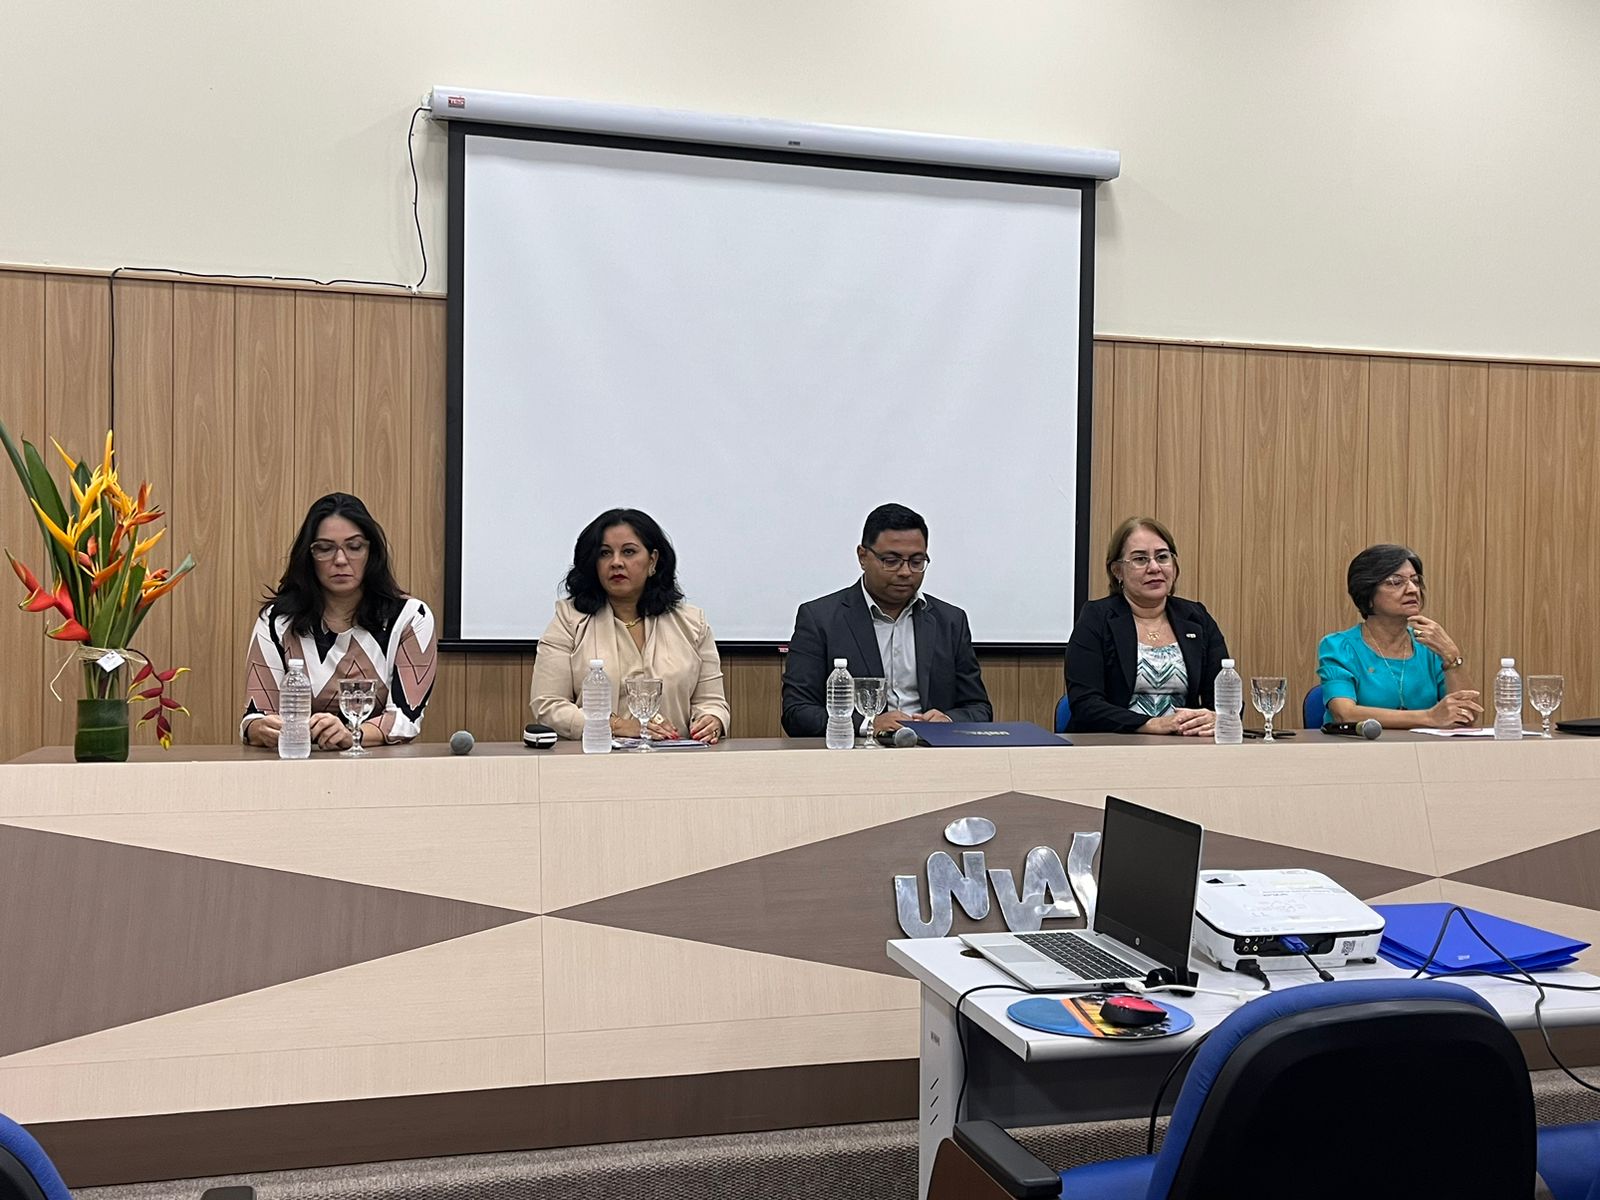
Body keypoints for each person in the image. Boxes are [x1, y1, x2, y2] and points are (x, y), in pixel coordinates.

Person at [242, 493, 437, 750]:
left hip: (378, 765)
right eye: (325, 549)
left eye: (354, 547)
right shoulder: (277, 620)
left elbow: (405, 718)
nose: (341, 560)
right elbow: (255, 716)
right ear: (308, 556)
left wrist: (351, 735)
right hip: (299, 763)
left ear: (372, 553)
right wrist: (260, 728)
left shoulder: (411, 617)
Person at [782, 503, 991, 737]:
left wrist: (948, 721)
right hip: (859, 751)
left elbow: (978, 708)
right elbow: (797, 713)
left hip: (931, 750)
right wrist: (869, 725)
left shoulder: (950, 621)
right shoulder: (821, 619)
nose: (905, 572)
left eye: (916, 562)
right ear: (863, 556)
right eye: (891, 561)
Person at [530, 508, 730, 742]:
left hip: (676, 755)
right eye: (605, 553)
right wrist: (616, 725)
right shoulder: (569, 619)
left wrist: (711, 721)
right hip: (597, 757)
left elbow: (711, 702)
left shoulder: (692, 623)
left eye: (628, 552)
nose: (616, 562)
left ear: (653, 560)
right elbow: (548, 704)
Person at [1064, 517, 1229, 735]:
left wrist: (1218, 718)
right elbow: (1085, 704)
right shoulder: (1096, 618)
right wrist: (1152, 724)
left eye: (1162, 557)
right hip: (1113, 744)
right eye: (1140, 559)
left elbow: (1225, 695)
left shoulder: (1196, 618)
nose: (1154, 567)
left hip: (1186, 743)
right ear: (1117, 571)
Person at [1318, 544, 1480, 729]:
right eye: (1395, 582)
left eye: (1415, 581)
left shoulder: (1430, 646)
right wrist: (1428, 717)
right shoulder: (1339, 646)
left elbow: (1467, 717)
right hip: (1359, 746)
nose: (1412, 589)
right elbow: (1344, 714)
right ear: (1367, 594)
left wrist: (1451, 655)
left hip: (1423, 746)